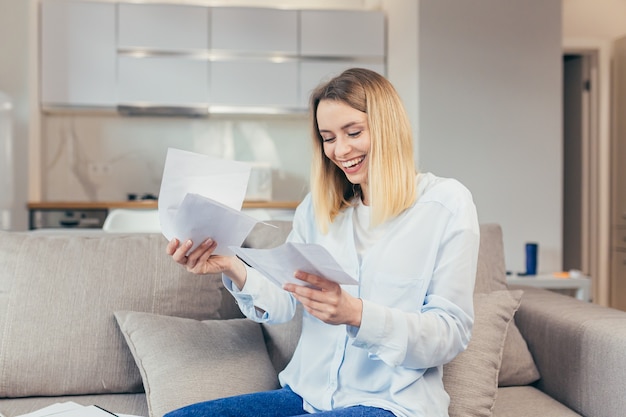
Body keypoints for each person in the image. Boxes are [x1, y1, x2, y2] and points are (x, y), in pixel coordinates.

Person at [165, 68, 480, 417]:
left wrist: (356, 314)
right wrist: (231, 265)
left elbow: (449, 333)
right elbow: (286, 301)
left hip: (388, 404)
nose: (340, 150)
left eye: (353, 132)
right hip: (307, 396)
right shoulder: (317, 210)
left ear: (388, 127)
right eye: (328, 137)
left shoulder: (445, 204)